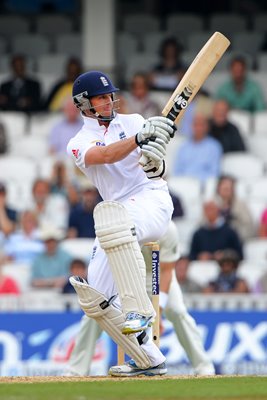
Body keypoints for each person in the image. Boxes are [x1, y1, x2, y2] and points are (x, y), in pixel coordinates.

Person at [67, 69, 176, 377]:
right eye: (100, 97)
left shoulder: (134, 121)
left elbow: (155, 163)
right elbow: (107, 156)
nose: (108, 101)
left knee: (113, 217)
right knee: (95, 298)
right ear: (83, 103)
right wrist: (139, 138)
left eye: (109, 95)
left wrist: (157, 159)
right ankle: (148, 359)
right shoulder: (78, 142)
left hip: (151, 199)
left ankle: (140, 311)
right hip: (118, 213)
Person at [64, 221, 215, 377]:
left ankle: (204, 366)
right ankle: (76, 370)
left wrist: (158, 312)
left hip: (156, 274)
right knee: (96, 311)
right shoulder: (120, 223)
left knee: (177, 311)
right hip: (126, 275)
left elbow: (167, 271)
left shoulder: (168, 229)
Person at [173, 113, 223, 185]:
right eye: (195, 125)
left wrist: (195, 181)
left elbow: (214, 173)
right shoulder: (183, 146)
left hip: (202, 186)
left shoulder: (214, 147)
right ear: (191, 127)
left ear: (207, 127)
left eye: (201, 125)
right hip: (183, 184)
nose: (198, 128)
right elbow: (177, 171)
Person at [31, 225, 72, 290]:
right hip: (41, 292)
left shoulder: (66, 257)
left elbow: (69, 278)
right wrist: (51, 282)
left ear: (56, 242)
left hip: (62, 292)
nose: (50, 244)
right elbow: (33, 281)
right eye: (47, 241)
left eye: (52, 241)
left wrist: (45, 282)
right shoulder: (38, 259)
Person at [215, 175, 255, 242]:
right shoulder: (211, 205)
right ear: (218, 189)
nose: (226, 190)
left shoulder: (241, 206)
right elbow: (204, 226)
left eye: (229, 188)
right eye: (224, 188)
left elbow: (249, 228)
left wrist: (233, 236)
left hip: (235, 242)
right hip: (214, 242)